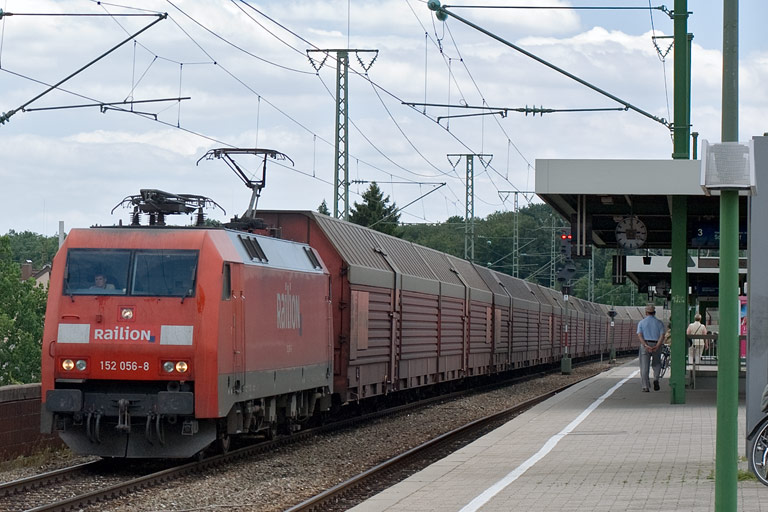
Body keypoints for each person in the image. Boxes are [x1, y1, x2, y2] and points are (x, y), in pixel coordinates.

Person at [636, 303, 666, 392]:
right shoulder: (659, 323)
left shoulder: (641, 323)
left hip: (645, 345)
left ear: (646, 313)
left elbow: (640, 335)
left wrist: (645, 345)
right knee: (657, 364)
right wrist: (657, 345)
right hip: (656, 344)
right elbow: (662, 335)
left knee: (644, 366)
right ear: (654, 312)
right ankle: (656, 379)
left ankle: (645, 386)